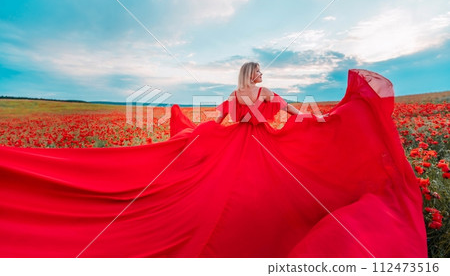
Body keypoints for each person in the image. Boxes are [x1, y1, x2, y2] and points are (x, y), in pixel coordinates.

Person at [0, 64, 427, 258]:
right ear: (253, 76)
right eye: (258, 73)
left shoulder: (233, 97)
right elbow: (297, 115)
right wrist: (331, 118)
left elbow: (221, 121)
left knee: (217, 198)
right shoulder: (266, 95)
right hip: (265, 151)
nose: (260, 78)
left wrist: (193, 136)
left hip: (230, 148)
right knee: (263, 199)